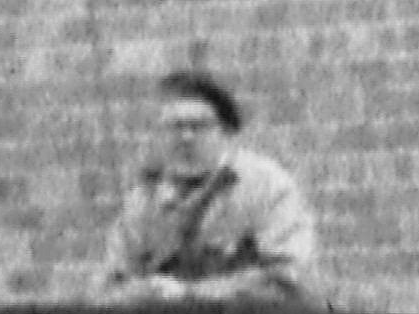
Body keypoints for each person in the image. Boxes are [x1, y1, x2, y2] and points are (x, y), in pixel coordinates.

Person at [100, 64, 316, 300]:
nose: (186, 138)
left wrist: (192, 294)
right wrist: (145, 292)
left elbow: (289, 279)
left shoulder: (266, 188)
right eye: (174, 127)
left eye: (199, 126)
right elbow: (111, 288)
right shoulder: (143, 202)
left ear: (225, 132)